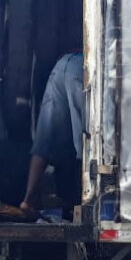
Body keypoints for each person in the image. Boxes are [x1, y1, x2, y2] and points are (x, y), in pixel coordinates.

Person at [20, 51, 85, 217]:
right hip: (85, 67)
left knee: (45, 137)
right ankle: (88, 203)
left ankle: (28, 200)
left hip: (64, 63)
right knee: (88, 143)